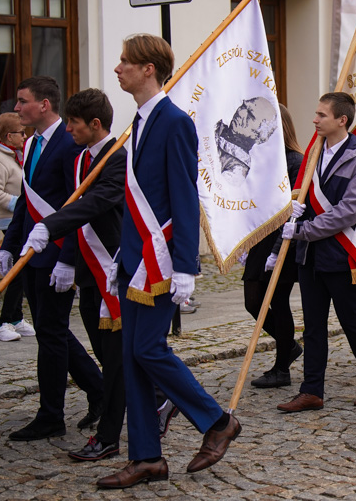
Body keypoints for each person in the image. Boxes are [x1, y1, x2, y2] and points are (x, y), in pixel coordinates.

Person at [99, 34, 240, 488]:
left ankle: (217, 421)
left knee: (147, 349)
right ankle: (147, 457)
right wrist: (121, 253)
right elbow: (139, 198)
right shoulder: (139, 120)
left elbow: (183, 192)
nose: (118, 69)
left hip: (160, 261)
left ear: (148, 69)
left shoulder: (174, 120)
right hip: (136, 259)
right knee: (131, 356)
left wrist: (185, 266)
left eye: (126, 62)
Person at [21, 88, 128, 460]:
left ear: (95, 125)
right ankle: (160, 398)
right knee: (111, 355)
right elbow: (77, 204)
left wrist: (51, 226)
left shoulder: (117, 158)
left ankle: (108, 436)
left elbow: (98, 202)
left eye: (74, 123)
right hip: (90, 275)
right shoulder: (84, 159)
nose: (68, 129)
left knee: (116, 360)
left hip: (114, 272)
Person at [0, 76, 104, 440]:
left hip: (56, 255)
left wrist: (69, 260)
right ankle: (100, 390)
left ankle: (51, 415)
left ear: (44, 105)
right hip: (31, 253)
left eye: (22, 101)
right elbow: (26, 204)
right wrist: (9, 245)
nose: (17, 108)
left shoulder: (69, 143)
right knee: (50, 330)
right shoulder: (31, 146)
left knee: (51, 333)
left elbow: (78, 207)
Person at [277, 92, 356, 413]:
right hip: (310, 256)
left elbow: (348, 212)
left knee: (352, 320)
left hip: (341, 255)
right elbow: (300, 195)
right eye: (315, 113)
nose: (314, 120)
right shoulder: (313, 152)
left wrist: (301, 231)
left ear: (342, 120)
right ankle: (312, 390)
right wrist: (292, 208)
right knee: (312, 325)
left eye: (321, 115)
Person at [244, 104, 304, 389]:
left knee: (277, 302)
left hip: (283, 240)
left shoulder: (294, 161)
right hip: (260, 237)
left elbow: (292, 208)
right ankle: (288, 345)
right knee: (252, 301)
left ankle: (282, 368)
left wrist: (277, 248)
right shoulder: (259, 160)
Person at [0, 113, 33, 342]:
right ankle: (3, 323)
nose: (25, 136)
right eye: (21, 133)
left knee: (21, 270)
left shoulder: (18, 157)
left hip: (22, 221)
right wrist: (19, 204)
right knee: (16, 271)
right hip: (11, 222)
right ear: (8, 136)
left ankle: (16, 318)